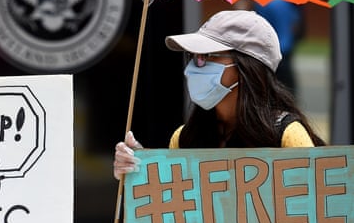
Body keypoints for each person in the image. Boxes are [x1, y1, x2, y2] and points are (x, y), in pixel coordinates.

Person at [114, 10, 325, 179]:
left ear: (246, 68)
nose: (193, 69)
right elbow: (175, 212)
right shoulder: (184, 138)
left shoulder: (286, 135)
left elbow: (314, 211)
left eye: (207, 56)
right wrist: (140, 171)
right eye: (194, 57)